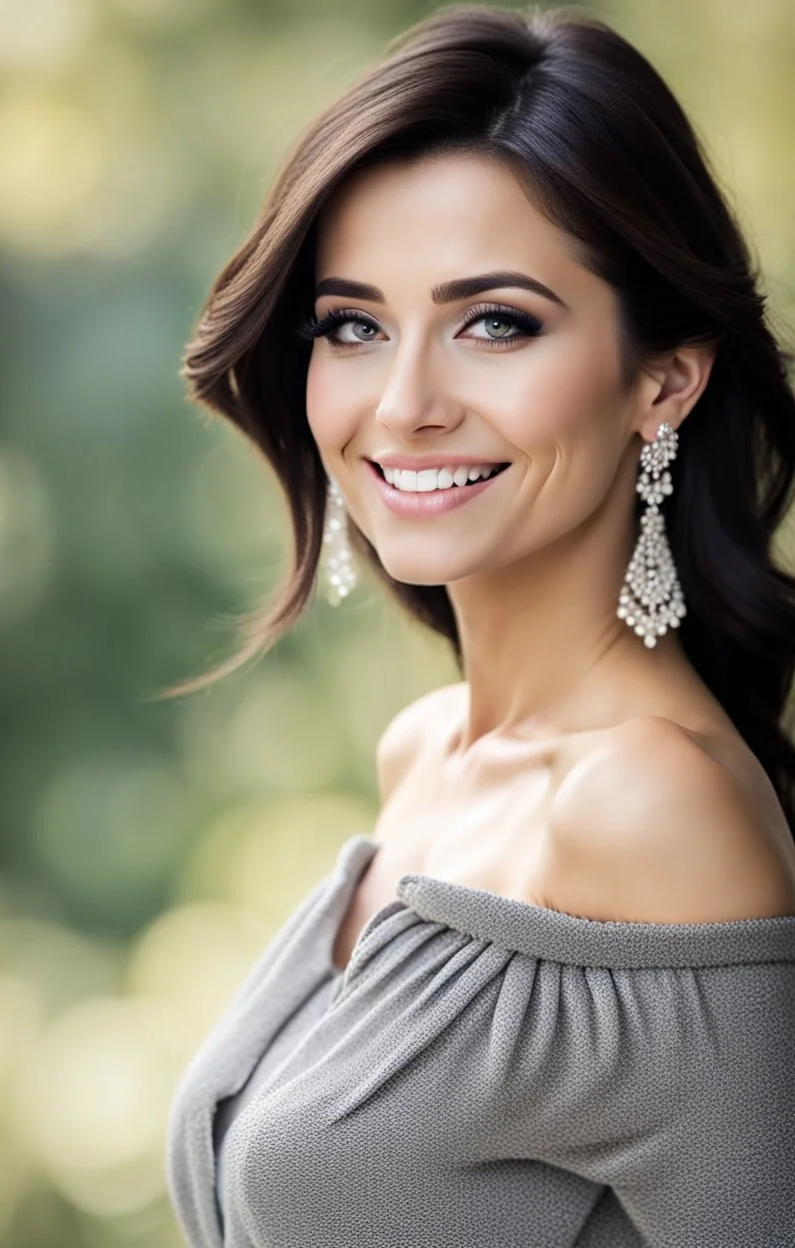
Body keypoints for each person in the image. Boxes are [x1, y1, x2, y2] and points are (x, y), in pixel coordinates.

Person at [163, 5, 795, 1245]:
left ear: (663, 379)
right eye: (353, 325)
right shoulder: (426, 751)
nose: (404, 405)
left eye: (494, 322)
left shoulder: (652, 810)